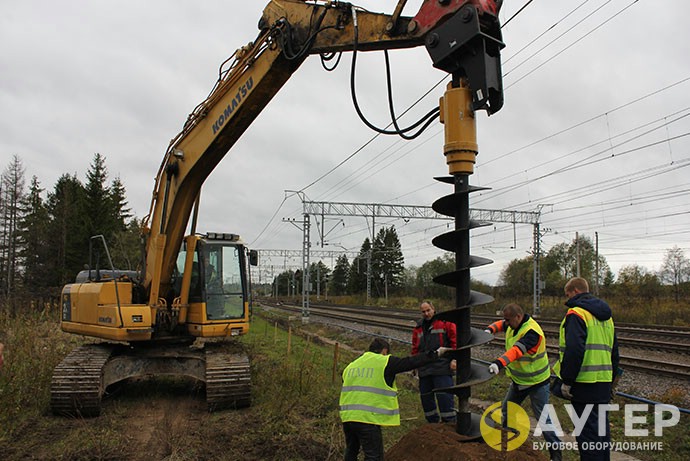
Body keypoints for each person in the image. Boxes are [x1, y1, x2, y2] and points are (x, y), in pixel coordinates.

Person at [339, 337, 451, 461]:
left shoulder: (352, 365)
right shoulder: (384, 361)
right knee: (373, 456)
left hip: (347, 417)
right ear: (384, 351)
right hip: (367, 418)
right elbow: (410, 362)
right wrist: (436, 354)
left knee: (351, 452)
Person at [552, 277, 619, 461]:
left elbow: (574, 350)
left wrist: (567, 381)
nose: (567, 299)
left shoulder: (577, 314)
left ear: (574, 291)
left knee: (588, 438)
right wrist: (612, 382)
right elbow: (615, 353)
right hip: (603, 383)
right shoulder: (607, 317)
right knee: (602, 436)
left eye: (567, 295)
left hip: (583, 384)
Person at [485, 303, 562, 461]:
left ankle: (556, 452)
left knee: (542, 418)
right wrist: (489, 330)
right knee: (507, 410)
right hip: (520, 381)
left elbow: (516, 351)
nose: (505, 323)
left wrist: (499, 363)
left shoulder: (532, 332)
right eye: (505, 320)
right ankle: (508, 443)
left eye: (508, 320)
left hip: (537, 382)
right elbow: (501, 324)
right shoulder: (513, 324)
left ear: (518, 317)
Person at [411, 300, 457, 423]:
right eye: (423, 312)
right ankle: (432, 425)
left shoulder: (445, 323)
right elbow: (415, 348)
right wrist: (414, 364)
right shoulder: (418, 328)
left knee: (445, 398)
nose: (426, 314)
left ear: (433, 309)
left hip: (441, 367)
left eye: (428, 310)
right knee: (426, 399)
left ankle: (450, 424)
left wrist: (455, 358)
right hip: (425, 368)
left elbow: (455, 342)